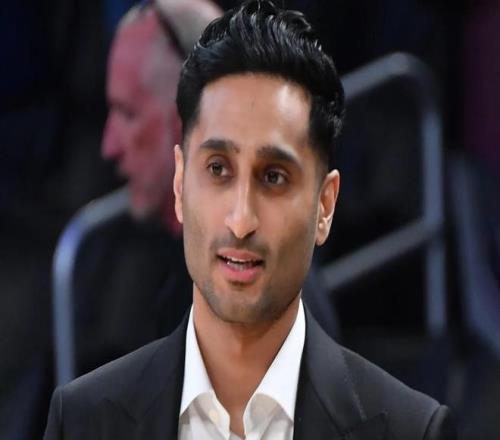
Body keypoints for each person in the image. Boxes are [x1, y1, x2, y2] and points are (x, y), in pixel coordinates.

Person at [44, 1, 456, 439]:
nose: (241, 221)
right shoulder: (83, 420)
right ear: (181, 183)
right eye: (218, 169)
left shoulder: (414, 430)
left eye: (274, 177)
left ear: (325, 205)